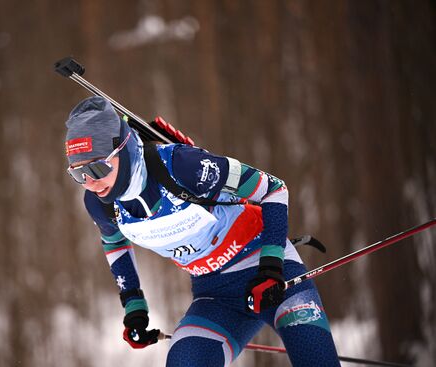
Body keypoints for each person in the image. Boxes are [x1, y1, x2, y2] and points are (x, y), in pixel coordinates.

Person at [64, 96, 340, 367]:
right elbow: (114, 243)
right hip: (215, 295)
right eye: (78, 174)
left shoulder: (182, 166)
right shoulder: (100, 204)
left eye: (97, 167)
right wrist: (134, 306)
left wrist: (270, 266)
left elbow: (273, 189)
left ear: (122, 151)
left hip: (273, 275)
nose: (90, 182)